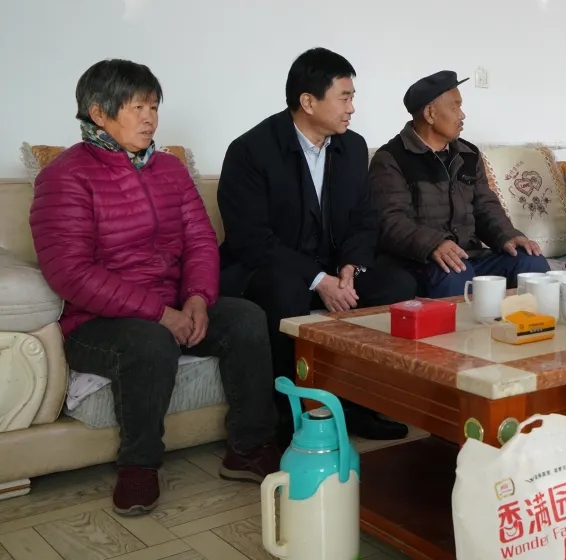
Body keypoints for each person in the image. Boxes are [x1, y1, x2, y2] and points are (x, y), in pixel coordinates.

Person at [29, 59, 279, 516]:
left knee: (246, 317)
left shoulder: (169, 168)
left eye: (154, 107)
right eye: (137, 107)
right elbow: (71, 272)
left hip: (174, 305)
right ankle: (139, 466)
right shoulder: (65, 176)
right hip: (97, 321)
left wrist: (198, 298)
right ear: (98, 113)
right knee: (149, 340)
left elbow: (200, 240)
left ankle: (249, 448)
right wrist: (161, 315)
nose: (150, 119)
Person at [217, 48, 417, 441]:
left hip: (332, 268)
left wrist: (350, 267)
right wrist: (318, 279)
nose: (352, 108)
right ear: (308, 102)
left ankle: (359, 404)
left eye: (352, 97)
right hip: (268, 272)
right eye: (344, 97)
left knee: (398, 284)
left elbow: (364, 219)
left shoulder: (352, 147)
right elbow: (250, 238)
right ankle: (288, 419)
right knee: (286, 289)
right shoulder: (251, 150)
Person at [369, 70, 549, 296]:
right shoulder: (391, 158)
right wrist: (434, 244)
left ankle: (529, 320)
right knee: (457, 275)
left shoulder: (468, 154)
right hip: (421, 261)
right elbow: (391, 221)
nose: (462, 115)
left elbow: (485, 207)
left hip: (469, 257)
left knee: (531, 262)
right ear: (430, 113)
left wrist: (508, 236)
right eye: (455, 108)